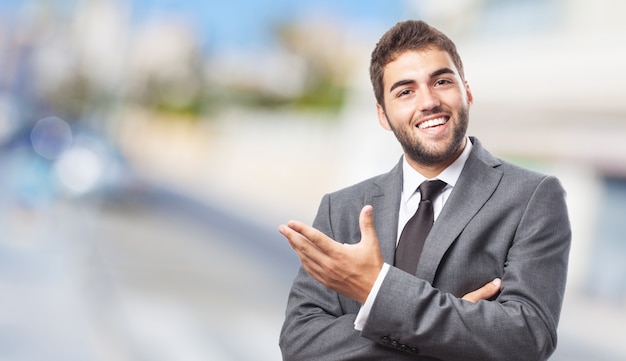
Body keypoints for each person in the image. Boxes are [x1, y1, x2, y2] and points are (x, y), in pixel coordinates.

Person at [278, 20, 571, 361]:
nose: (429, 101)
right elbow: (299, 344)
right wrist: (451, 326)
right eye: (405, 91)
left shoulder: (532, 197)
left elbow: (528, 337)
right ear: (383, 115)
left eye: (442, 82)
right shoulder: (340, 208)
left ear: (467, 93)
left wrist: (376, 293)